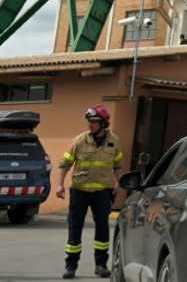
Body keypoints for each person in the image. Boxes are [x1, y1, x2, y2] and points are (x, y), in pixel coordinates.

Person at [56, 105, 123, 279]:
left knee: (102, 228)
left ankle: (101, 265)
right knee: (75, 227)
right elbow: (65, 164)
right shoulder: (79, 140)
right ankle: (70, 266)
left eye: (94, 122)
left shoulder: (114, 141)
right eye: (89, 122)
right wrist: (60, 185)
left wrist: (117, 182)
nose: (90, 125)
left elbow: (117, 165)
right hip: (80, 191)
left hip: (102, 192)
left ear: (103, 123)